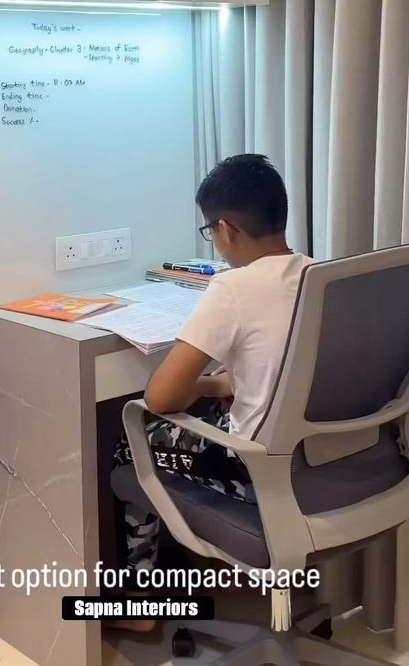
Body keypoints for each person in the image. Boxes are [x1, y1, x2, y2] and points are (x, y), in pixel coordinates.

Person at [114, 153, 313, 594]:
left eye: (210, 232)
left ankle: (142, 602)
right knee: (205, 417)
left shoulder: (233, 287)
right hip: (323, 462)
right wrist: (226, 383)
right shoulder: (318, 275)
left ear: (224, 229)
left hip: (260, 469)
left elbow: (162, 399)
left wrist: (202, 385)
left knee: (131, 445)